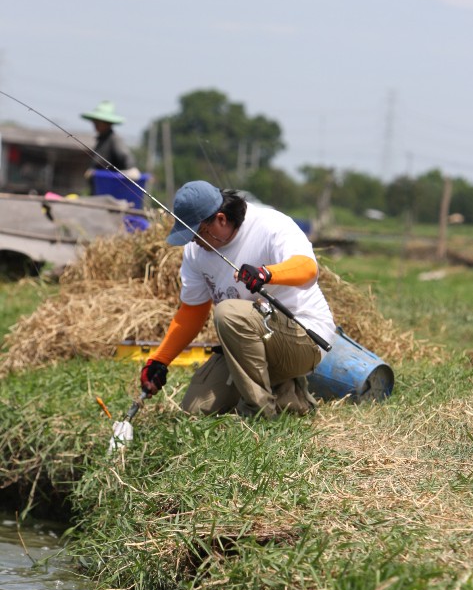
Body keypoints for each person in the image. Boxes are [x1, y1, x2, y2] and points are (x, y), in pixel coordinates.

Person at [140, 180, 337, 418]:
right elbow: (192, 311)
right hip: (251, 343)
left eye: (197, 233)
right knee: (195, 411)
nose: (193, 241)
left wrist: (266, 274)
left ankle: (260, 413)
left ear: (221, 219)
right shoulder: (196, 251)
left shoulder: (271, 225)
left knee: (228, 312)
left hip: (304, 338)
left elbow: (308, 270)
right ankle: (289, 395)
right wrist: (160, 360)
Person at [80, 100, 141, 189]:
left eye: (98, 122)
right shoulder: (101, 140)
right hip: (100, 188)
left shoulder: (114, 140)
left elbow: (129, 165)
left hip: (114, 190)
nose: (94, 124)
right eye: (94, 121)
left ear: (107, 123)